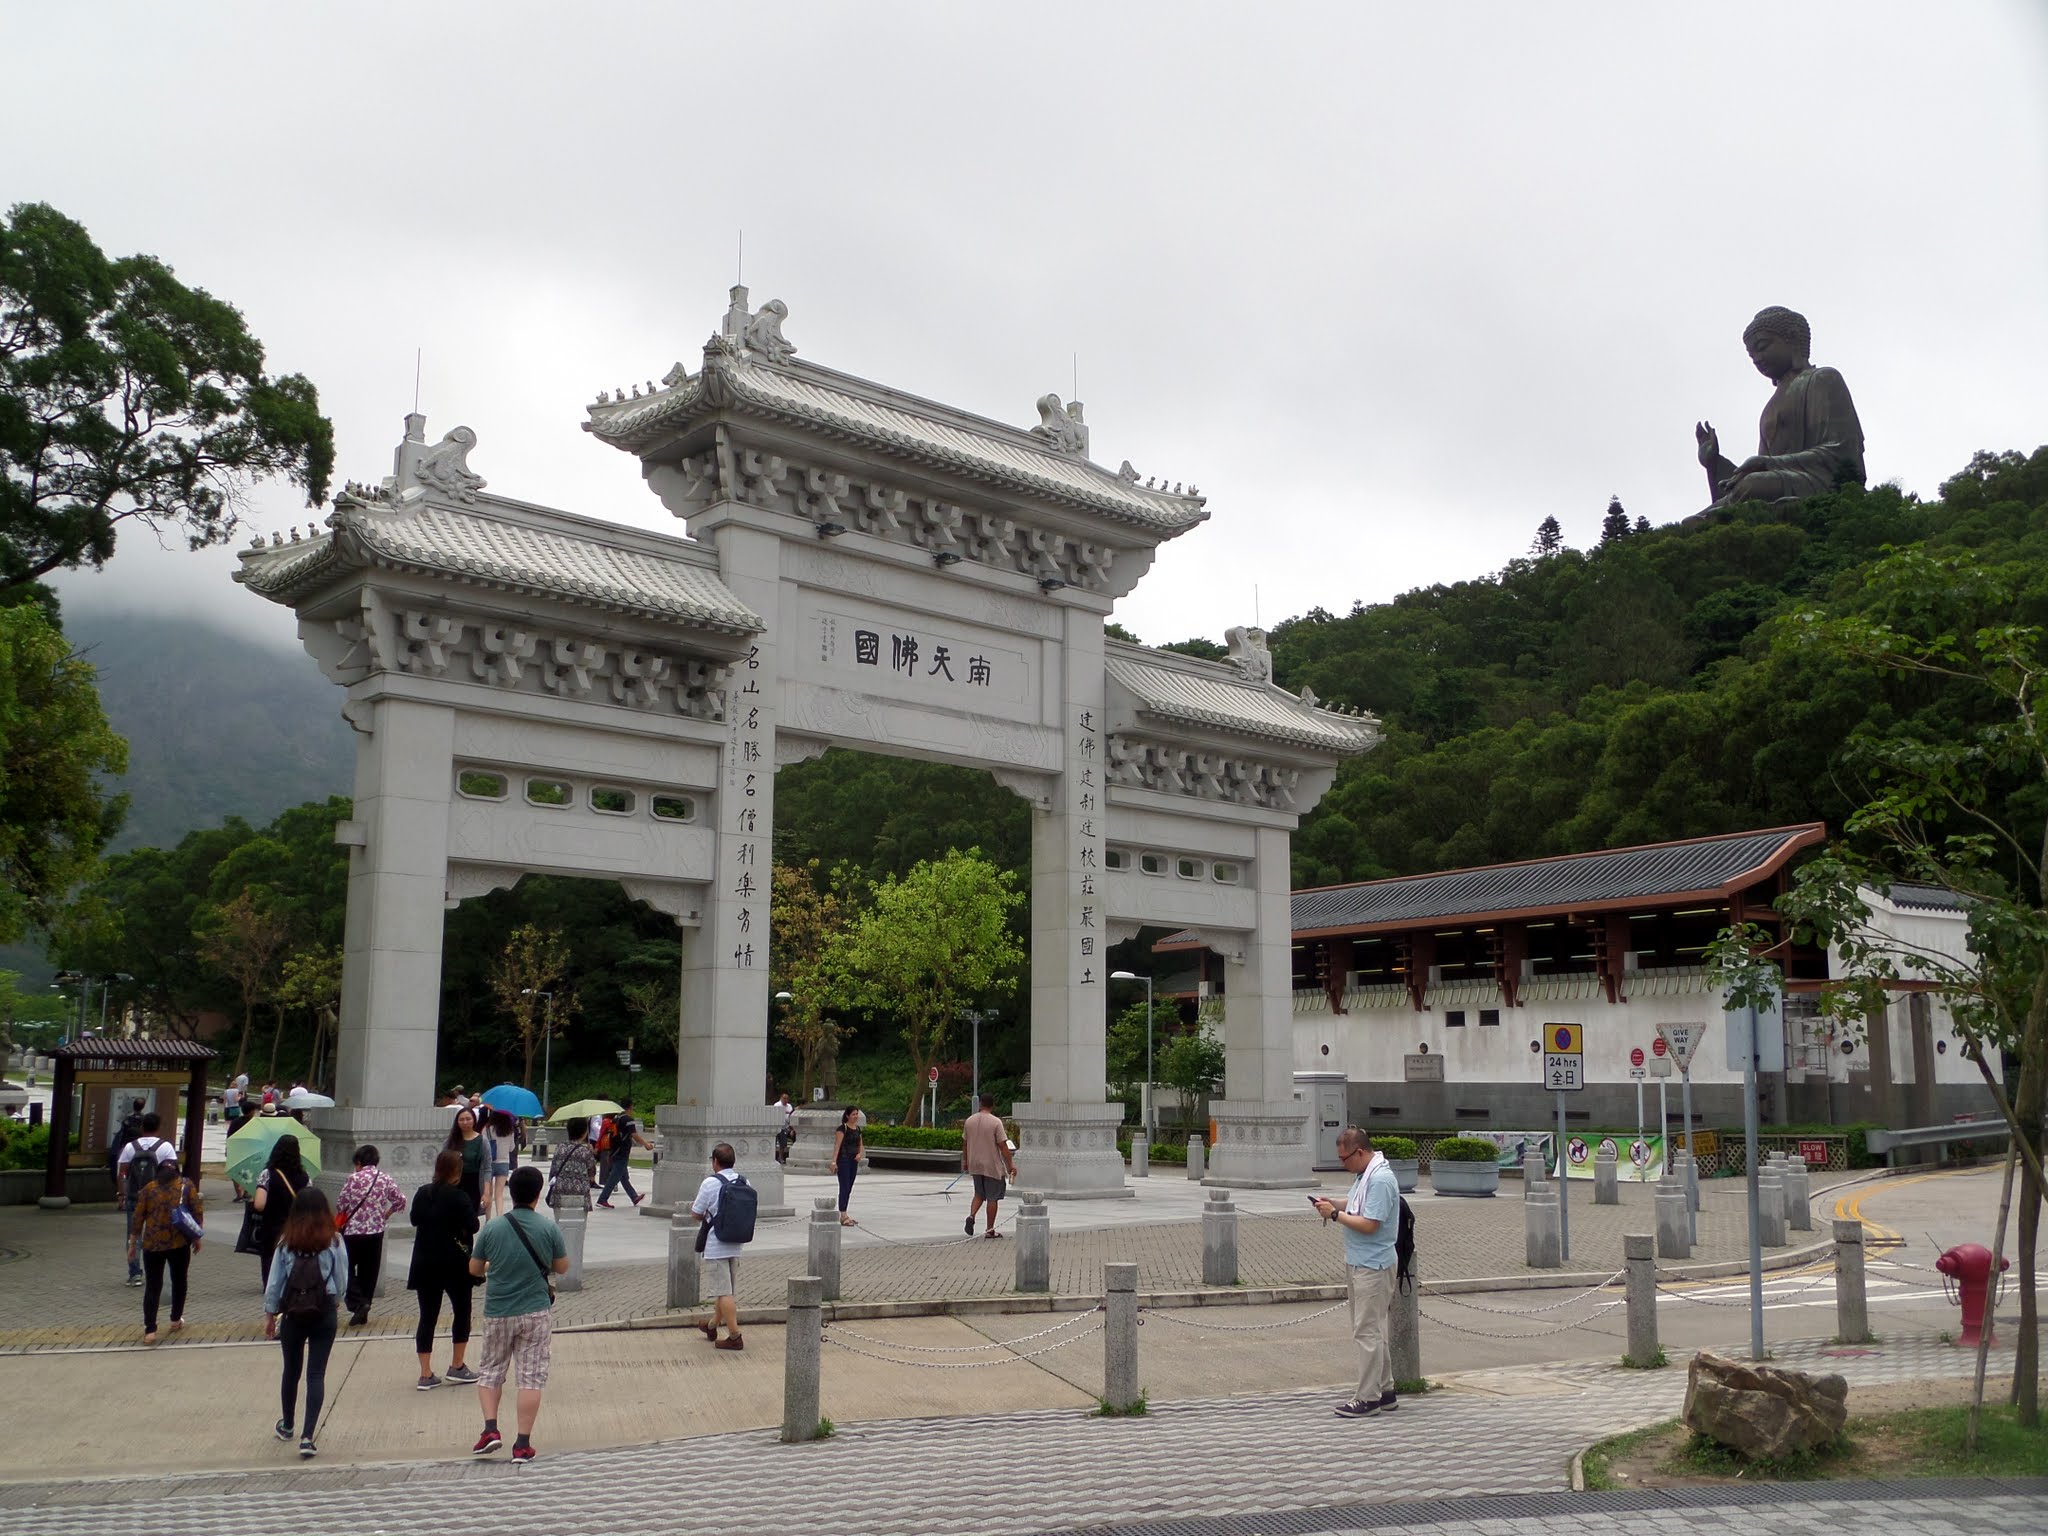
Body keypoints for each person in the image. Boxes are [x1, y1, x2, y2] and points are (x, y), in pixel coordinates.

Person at [1695, 305, 1865, 509]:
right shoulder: (1771, 406)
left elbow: (1842, 451)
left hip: (1821, 480)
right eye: (1751, 355)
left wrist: (1769, 464)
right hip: (1780, 479)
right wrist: (1714, 463)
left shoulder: (1823, 379)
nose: (1757, 359)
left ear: (1792, 338)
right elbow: (1759, 468)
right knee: (1694, 520)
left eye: (1762, 347)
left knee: (1753, 485)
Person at [467, 1164, 568, 1463]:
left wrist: (491, 1267)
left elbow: (474, 1268)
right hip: (535, 1312)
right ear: (538, 1194)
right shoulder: (548, 1227)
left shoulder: (494, 1227)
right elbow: (562, 1267)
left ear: (510, 1193)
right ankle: (522, 1444)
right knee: (530, 1378)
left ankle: (490, 1430)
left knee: (490, 1370)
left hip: (498, 1310)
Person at [1312, 1126, 1401, 1419]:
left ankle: (1368, 1397)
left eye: (1344, 1158)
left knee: (1366, 1331)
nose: (1342, 1164)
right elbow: (1356, 1205)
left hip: (1373, 1264)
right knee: (1373, 1329)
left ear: (1360, 1152)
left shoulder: (1380, 1179)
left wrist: (1335, 1216)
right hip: (1362, 1261)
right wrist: (1332, 1204)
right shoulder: (1366, 1175)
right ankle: (1385, 1391)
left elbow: (1370, 1223)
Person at [262, 1185, 346, 1460]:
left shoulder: (287, 1242)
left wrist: (270, 1314)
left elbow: (275, 1282)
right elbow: (342, 1278)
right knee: (316, 1374)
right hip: (324, 1311)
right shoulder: (334, 1241)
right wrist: (337, 1299)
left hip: (294, 1314)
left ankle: (287, 1425)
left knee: (291, 1370)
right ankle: (308, 1436)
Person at [409, 1147, 481, 1391]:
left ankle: (425, 1372)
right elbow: (473, 1225)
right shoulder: (458, 1197)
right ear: (457, 1171)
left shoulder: (422, 1193)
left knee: (427, 1316)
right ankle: (457, 1365)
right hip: (454, 1263)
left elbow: (414, 1219)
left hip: (425, 1261)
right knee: (462, 1311)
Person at [128, 1155, 203, 1344]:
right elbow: (197, 1211)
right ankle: (176, 1319)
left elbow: (138, 1218)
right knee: (179, 1281)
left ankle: (150, 1330)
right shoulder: (185, 1185)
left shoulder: (149, 1189)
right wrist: (196, 1237)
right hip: (179, 1243)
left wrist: (132, 1244)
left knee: (153, 1286)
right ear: (176, 1172)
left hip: (152, 1244)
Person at [335, 1144, 406, 1327]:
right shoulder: (385, 1178)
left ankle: (358, 1302)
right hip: (376, 1232)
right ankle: (365, 1305)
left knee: (347, 1268)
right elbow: (400, 1200)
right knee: (369, 1271)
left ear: (358, 1162)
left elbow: (341, 1204)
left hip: (353, 1232)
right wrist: (386, 1214)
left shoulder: (352, 1178)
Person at [690, 1142, 748, 1351]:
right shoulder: (743, 1180)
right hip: (737, 1241)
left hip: (716, 1244)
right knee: (725, 1290)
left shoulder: (710, 1183)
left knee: (724, 1293)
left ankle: (735, 1336)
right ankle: (712, 1325)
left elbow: (696, 1213)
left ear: (715, 1162)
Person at [115, 1111, 176, 1287]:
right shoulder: (166, 1147)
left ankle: (134, 1273)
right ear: (158, 1127)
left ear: (142, 1127)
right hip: (159, 1199)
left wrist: (121, 1195)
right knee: (158, 1234)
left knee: (134, 1235)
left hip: (135, 1197)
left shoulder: (130, 1147)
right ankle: (155, 1272)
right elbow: (172, 1174)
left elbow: (122, 1173)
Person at [252, 1135, 312, 1288]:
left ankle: (271, 1289)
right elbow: (310, 1204)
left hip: (272, 1226)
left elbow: (259, 1204)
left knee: (270, 1259)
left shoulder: (268, 1174)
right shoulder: (305, 1177)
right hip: (297, 1226)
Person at [961, 1094, 1018, 1238]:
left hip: (975, 1164)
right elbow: (1003, 1146)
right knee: (992, 1198)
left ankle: (971, 1216)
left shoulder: (969, 1121)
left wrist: (966, 1162)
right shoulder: (995, 1122)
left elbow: (965, 1143)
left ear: (980, 1104)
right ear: (993, 1106)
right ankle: (989, 1229)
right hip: (991, 1165)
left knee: (979, 1194)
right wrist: (1010, 1164)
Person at [594, 1099, 651, 1209]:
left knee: (623, 1177)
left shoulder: (616, 1118)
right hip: (622, 1152)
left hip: (614, 1151)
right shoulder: (628, 1119)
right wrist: (646, 1144)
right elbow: (634, 1135)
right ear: (630, 1107)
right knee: (614, 1177)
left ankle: (634, 1197)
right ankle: (602, 1199)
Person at [545, 1117, 598, 1215]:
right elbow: (592, 1174)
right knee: (578, 1224)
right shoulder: (585, 1151)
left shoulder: (560, 1147)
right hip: (580, 1192)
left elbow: (553, 1170)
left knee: (560, 1221)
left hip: (559, 1190)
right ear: (584, 1132)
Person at [830, 1106, 865, 1227]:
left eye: (857, 1114)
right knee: (844, 1187)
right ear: (847, 1116)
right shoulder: (842, 1129)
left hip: (853, 1160)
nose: (856, 1116)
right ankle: (843, 1214)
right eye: (853, 1114)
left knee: (849, 1186)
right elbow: (837, 1146)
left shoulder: (858, 1129)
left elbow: (860, 1144)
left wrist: (860, 1154)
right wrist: (834, 1162)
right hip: (844, 1160)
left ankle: (845, 1212)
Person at [446, 1106, 485, 1212]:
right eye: (461, 1119)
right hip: (453, 1182)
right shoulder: (451, 1140)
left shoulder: (481, 1140)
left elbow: (487, 1167)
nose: (465, 1122)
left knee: (470, 1214)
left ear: (474, 1120)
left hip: (473, 1183)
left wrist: (487, 1191)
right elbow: (442, 1161)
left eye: (468, 1119)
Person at [481, 1108, 516, 1220]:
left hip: (489, 1163)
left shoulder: (487, 1129)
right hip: (504, 1163)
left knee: (489, 1193)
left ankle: (488, 1219)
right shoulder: (510, 1131)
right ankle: (499, 1217)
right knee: (499, 1193)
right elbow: (512, 1148)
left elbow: (483, 1146)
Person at [772, 1092, 795, 1165]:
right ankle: (779, 1157)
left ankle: (792, 1155)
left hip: (787, 1126)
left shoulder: (789, 1106)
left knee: (792, 1138)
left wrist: (791, 1129)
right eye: (784, 1098)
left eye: (787, 1099)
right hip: (778, 1126)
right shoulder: (777, 1105)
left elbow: (791, 1117)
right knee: (782, 1142)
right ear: (781, 1098)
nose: (786, 1100)